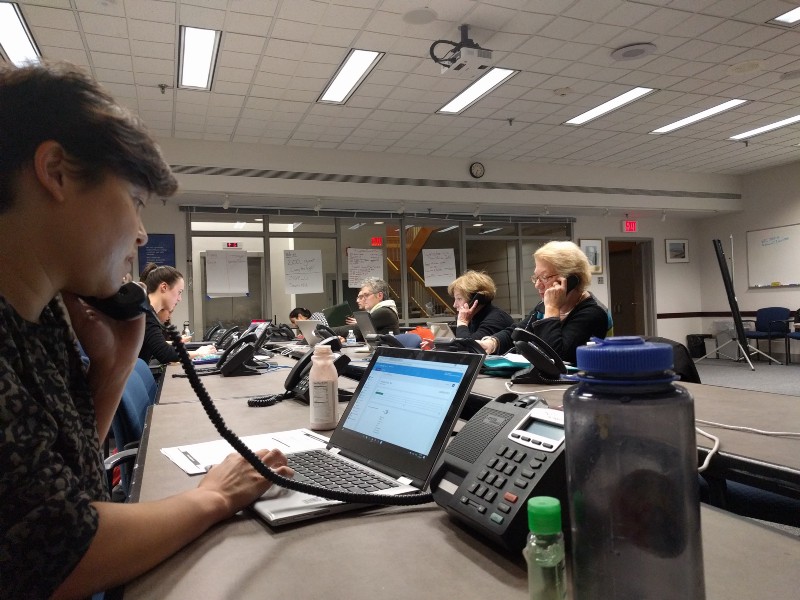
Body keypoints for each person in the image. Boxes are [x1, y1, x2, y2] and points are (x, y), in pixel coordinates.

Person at [0, 62, 293, 599]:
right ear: (56, 172)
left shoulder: (43, 319)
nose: (140, 234)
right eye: (135, 201)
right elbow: (57, 556)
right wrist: (215, 497)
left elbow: (68, 493)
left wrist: (113, 369)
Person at [478, 241, 609, 363]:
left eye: (544, 277)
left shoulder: (593, 313)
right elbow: (518, 332)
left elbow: (554, 358)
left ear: (571, 280)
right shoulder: (543, 306)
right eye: (536, 278)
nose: (537, 285)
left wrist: (552, 308)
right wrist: (492, 343)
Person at [138, 263, 215, 363]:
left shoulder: (146, 311)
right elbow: (165, 354)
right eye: (179, 292)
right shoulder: (146, 314)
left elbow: (157, 344)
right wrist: (198, 353)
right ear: (164, 287)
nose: (180, 298)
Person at [448, 270, 514, 340]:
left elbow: (468, 345)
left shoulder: (496, 319)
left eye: (459, 299)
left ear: (476, 298)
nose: (454, 305)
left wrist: (462, 323)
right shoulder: (472, 318)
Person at [334, 277, 399, 339]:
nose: (363, 299)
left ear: (379, 295)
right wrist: (345, 339)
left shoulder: (384, 312)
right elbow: (363, 334)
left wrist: (329, 330)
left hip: (386, 347)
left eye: (366, 295)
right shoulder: (380, 310)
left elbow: (357, 329)